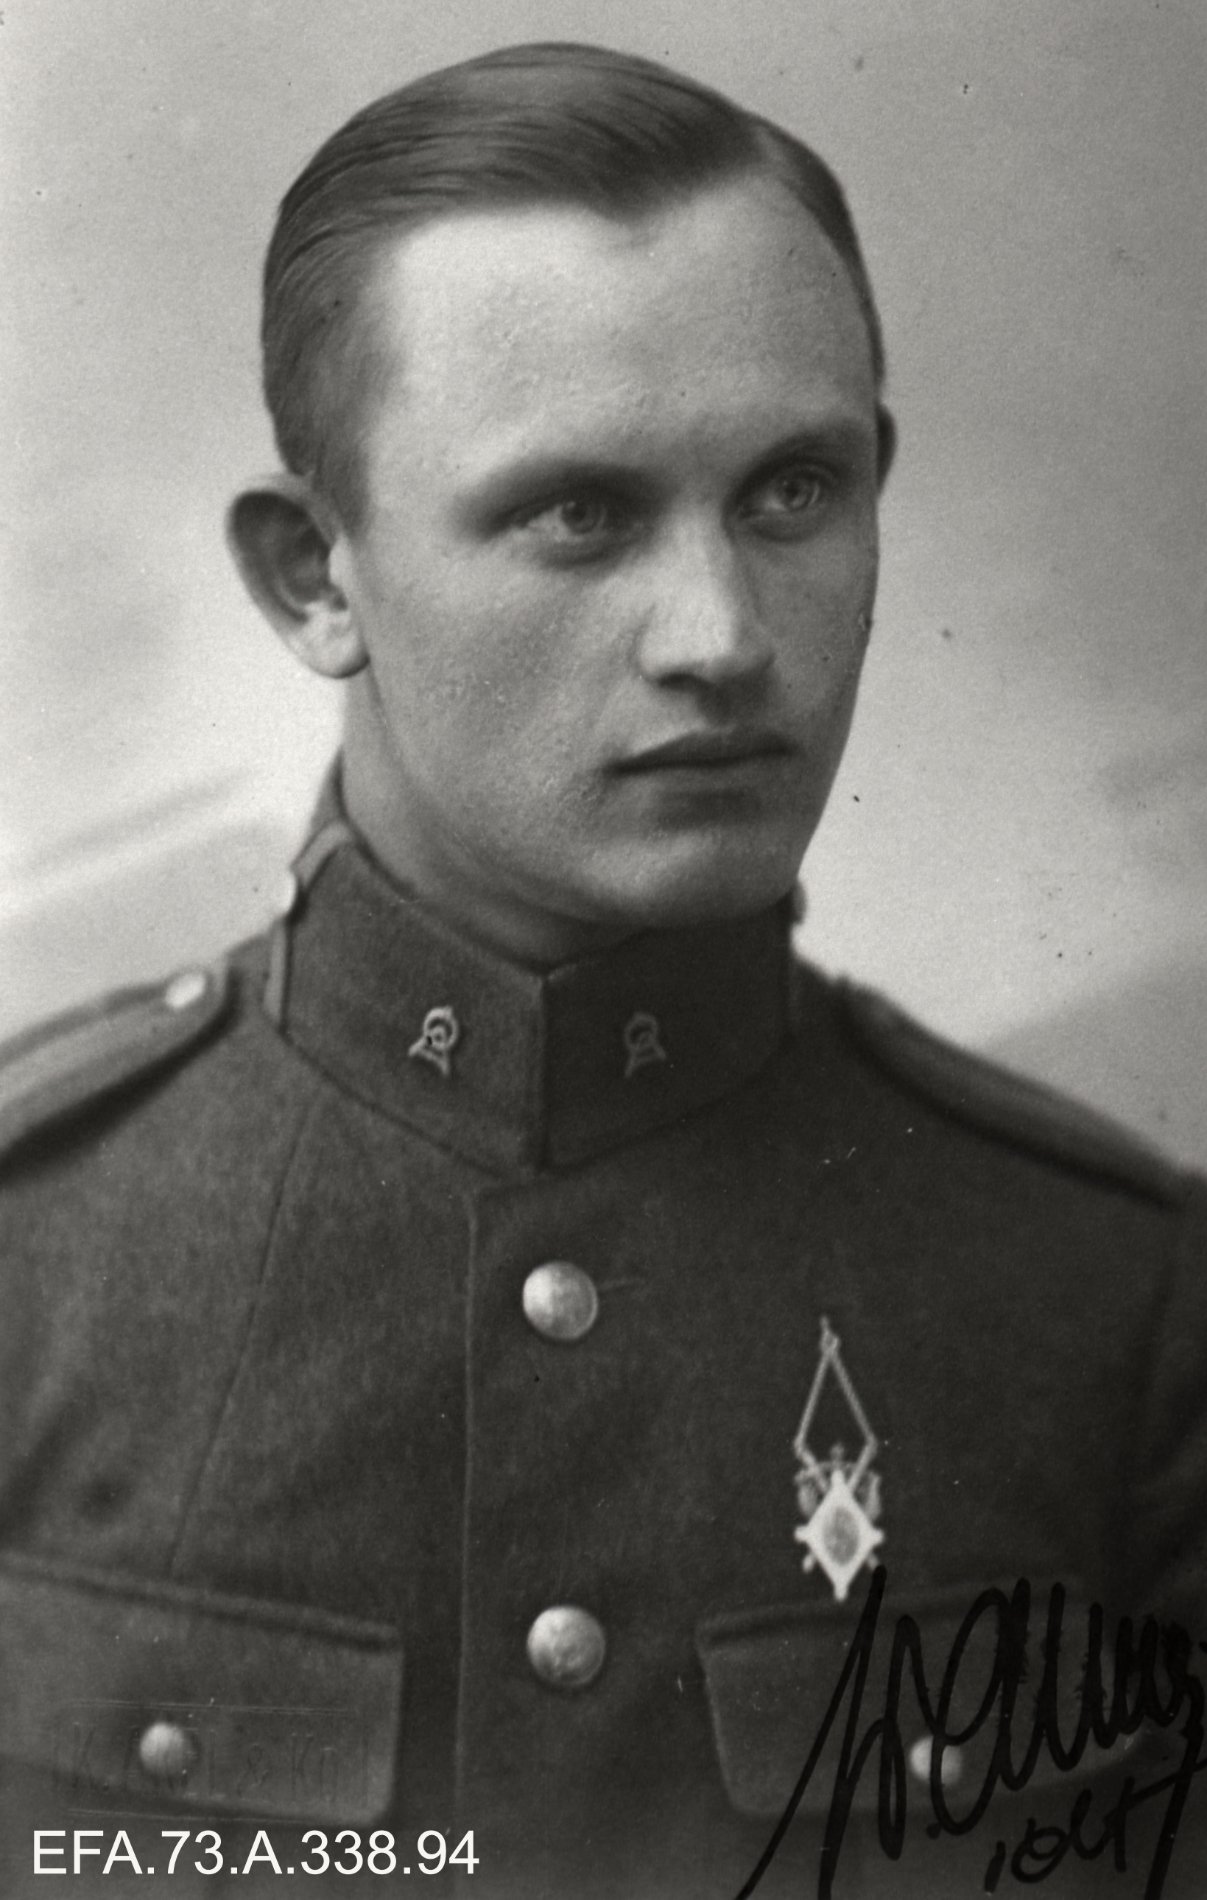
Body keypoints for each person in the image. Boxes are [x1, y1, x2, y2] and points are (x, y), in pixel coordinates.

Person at [0, 40, 1204, 1900]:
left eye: (793, 491)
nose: (722, 637)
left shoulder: (1118, 1304)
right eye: (578, 513)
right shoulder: (35, 1254)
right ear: (314, 576)